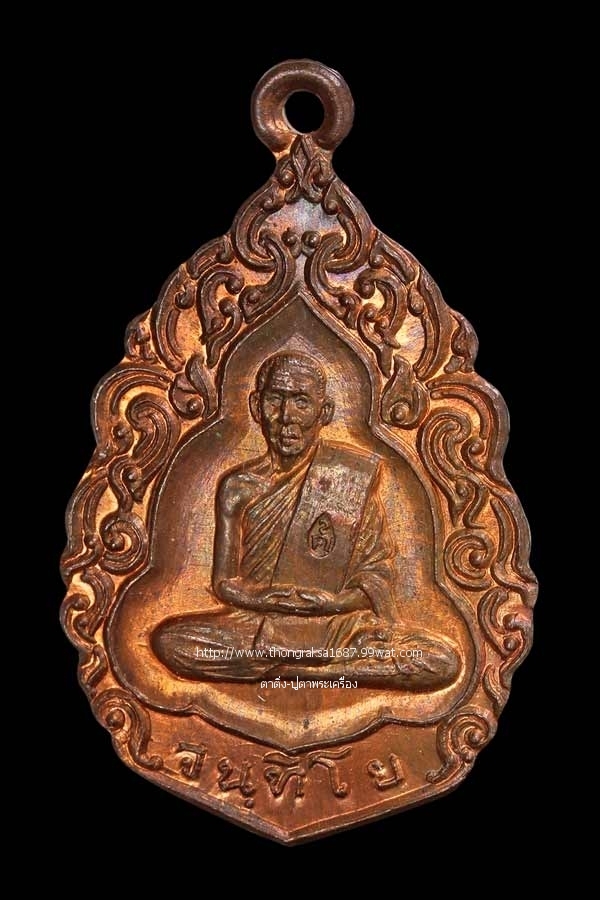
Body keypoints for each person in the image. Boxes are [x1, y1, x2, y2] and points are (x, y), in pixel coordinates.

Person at [152, 352, 459, 690]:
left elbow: (377, 577)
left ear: (324, 412)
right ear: (256, 406)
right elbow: (225, 584)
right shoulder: (237, 488)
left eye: (301, 402)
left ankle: (296, 671)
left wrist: (335, 603)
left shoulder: (349, 477)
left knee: (440, 660)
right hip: (258, 624)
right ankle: (322, 671)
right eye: (275, 400)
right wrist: (265, 599)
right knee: (171, 641)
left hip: (336, 627)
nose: (287, 417)